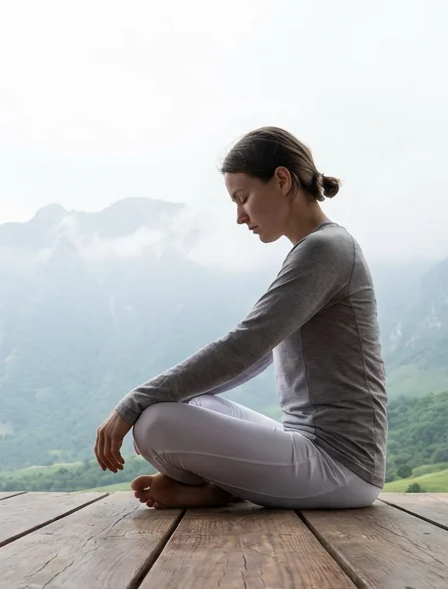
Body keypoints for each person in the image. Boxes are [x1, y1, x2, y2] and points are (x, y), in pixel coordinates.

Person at [92, 126, 388, 510]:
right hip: (311, 449)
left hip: (342, 468)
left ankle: (222, 486)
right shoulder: (320, 248)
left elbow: (244, 347)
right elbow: (253, 356)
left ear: (282, 180)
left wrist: (129, 405)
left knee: (152, 423)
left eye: (243, 198)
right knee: (189, 402)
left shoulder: (324, 250)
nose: (239, 216)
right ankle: (223, 487)